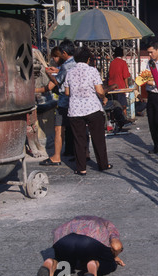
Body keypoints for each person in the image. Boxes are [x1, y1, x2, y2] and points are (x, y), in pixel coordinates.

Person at [35, 215, 125, 276]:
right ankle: (93, 267)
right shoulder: (107, 224)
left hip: (63, 240)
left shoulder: (75, 220)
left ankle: (50, 263)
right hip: (89, 242)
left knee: (65, 264)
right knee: (109, 264)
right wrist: (112, 256)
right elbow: (116, 246)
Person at [64, 46, 112, 175]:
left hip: (75, 110)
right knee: (98, 138)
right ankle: (103, 164)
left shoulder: (70, 72)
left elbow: (67, 92)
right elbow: (99, 91)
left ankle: (81, 168)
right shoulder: (92, 71)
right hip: (92, 108)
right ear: (88, 59)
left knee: (79, 140)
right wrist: (104, 97)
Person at [39, 39, 76, 166]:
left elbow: (56, 83)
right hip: (75, 102)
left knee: (58, 128)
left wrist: (49, 74)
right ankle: (80, 153)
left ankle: (56, 156)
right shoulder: (76, 63)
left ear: (64, 53)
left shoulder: (66, 66)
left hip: (64, 102)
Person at [107, 47, 131, 116]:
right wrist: (127, 86)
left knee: (114, 106)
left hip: (111, 88)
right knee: (123, 106)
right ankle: (125, 119)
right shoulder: (123, 63)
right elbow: (125, 76)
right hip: (120, 87)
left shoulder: (112, 63)